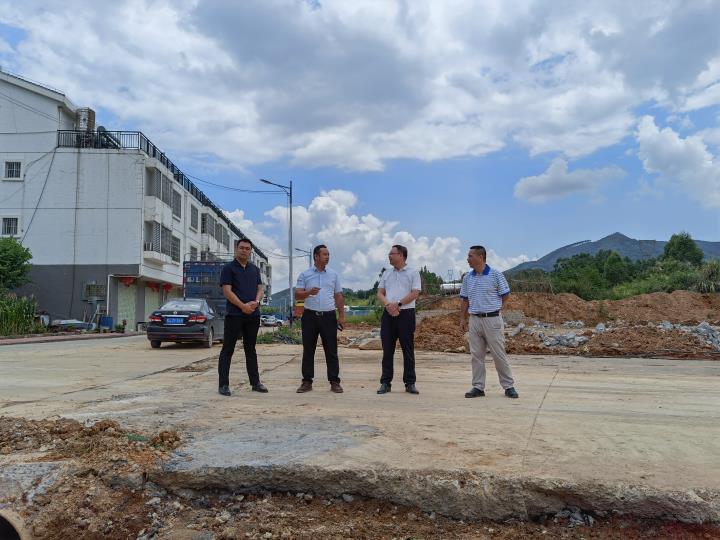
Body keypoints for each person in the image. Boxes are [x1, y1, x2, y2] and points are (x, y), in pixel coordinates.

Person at [459, 245, 519, 399]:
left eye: (470, 256)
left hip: (492, 320)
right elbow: (464, 299)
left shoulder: (496, 275)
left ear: (480, 257)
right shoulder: (467, 278)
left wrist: (494, 307)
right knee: (476, 355)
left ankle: (508, 386)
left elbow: (505, 295)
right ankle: (478, 387)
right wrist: (463, 318)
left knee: (498, 354)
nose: (467, 259)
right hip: (474, 320)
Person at [217, 238, 266, 397]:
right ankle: (223, 384)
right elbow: (227, 291)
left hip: (253, 314)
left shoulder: (254, 269)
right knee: (228, 349)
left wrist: (256, 302)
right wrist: (242, 306)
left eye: (247, 248)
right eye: (242, 248)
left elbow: (260, 288)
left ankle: (255, 383)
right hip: (234, 314)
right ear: (236, 249)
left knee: (250, 349)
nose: (244, 250)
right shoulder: (228, 268)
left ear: (250, 251)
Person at [295, 244, 345, 393]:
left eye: (328, 254)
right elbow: (297, 294)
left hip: (328, 316)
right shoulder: (305, 275)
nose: (327, 257)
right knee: (308, 350)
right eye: (324, 254)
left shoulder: (334, 275)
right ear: (316, 256)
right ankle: (307, 381)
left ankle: (334, 381)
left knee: (331, 350)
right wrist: (308, 292)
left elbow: (338, 295)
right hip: (310, 316)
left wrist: (341, 316)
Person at [376, 245, 422, 395]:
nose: (389, 256)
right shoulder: (387, 273)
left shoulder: (413, 272)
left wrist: (398, 304)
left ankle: (410, 383)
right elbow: (380, 293)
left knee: (407, 349)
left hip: (406, 314)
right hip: (388, 314)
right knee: (387, 350)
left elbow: (415, 293)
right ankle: (385, 382)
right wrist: (388, 305)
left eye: (392, 253)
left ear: (401, 255)